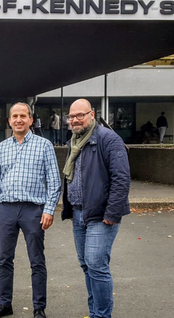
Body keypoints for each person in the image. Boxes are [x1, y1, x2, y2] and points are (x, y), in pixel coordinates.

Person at [0, 102, 61, 318]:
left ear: (30, 119)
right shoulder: (1, 147)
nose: (19, 119)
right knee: (4, 259)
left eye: (23, 116)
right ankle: (4, 304)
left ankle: (39, 308)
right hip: (6, 210)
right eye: (14, 116)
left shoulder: (44, 145)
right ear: (9, 121)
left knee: (36, 260)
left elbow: (54, 181)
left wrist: (49, 210)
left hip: (33, 210)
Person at [61, 99, 131, 318]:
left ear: (92, 114)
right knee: (86, 265)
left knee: (96, 265)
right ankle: (95, 313)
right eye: (71, 117)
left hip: (101, 215)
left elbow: (121, 179)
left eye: (80, 115)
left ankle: (101, 315)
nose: (75, 120)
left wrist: (112, 213)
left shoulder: (108, 139)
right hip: (79, 212)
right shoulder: (75, 141)